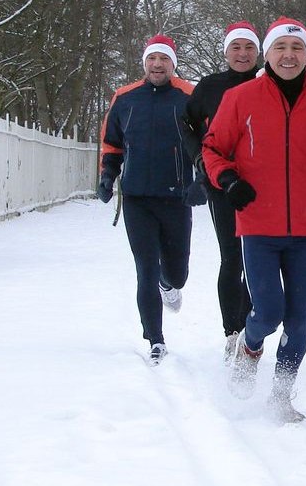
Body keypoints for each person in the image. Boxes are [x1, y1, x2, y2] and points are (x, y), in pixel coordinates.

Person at [202, 16, 306, 424]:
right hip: (257, 224)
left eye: (297, 49)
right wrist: (229, 180)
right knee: (269, 311)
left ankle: (280, 395)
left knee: (299, 317)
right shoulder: (242, 97)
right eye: (280, 48)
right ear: (268, 54)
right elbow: (213, 148)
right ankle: (251, 345)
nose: (288, 56)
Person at [98, 34, 195, 365]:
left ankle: (171, 285)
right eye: (152, 58)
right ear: (144, 62)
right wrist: (107, 177)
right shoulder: (125, 99)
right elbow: (112, 144)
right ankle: (155, 339)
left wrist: (203, 181)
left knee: (176, 273)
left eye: (164, 59)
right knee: (146, 271)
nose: (157, 64)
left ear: (173, 64)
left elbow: (208, 143)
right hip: (137, 198)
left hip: (176, 197)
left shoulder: (189, 97)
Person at [180, 21, 261, 359]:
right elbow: (185, 123)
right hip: (222, 182)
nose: (242, 54)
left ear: (259, 52)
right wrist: (199, 157)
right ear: (226, 51)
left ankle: (252, 327)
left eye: (249, 48)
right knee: (232, 257)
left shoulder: (269, 83)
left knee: (257, 259)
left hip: (263, 184)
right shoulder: (211, 87)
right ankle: (233, 332)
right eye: (236, 48)